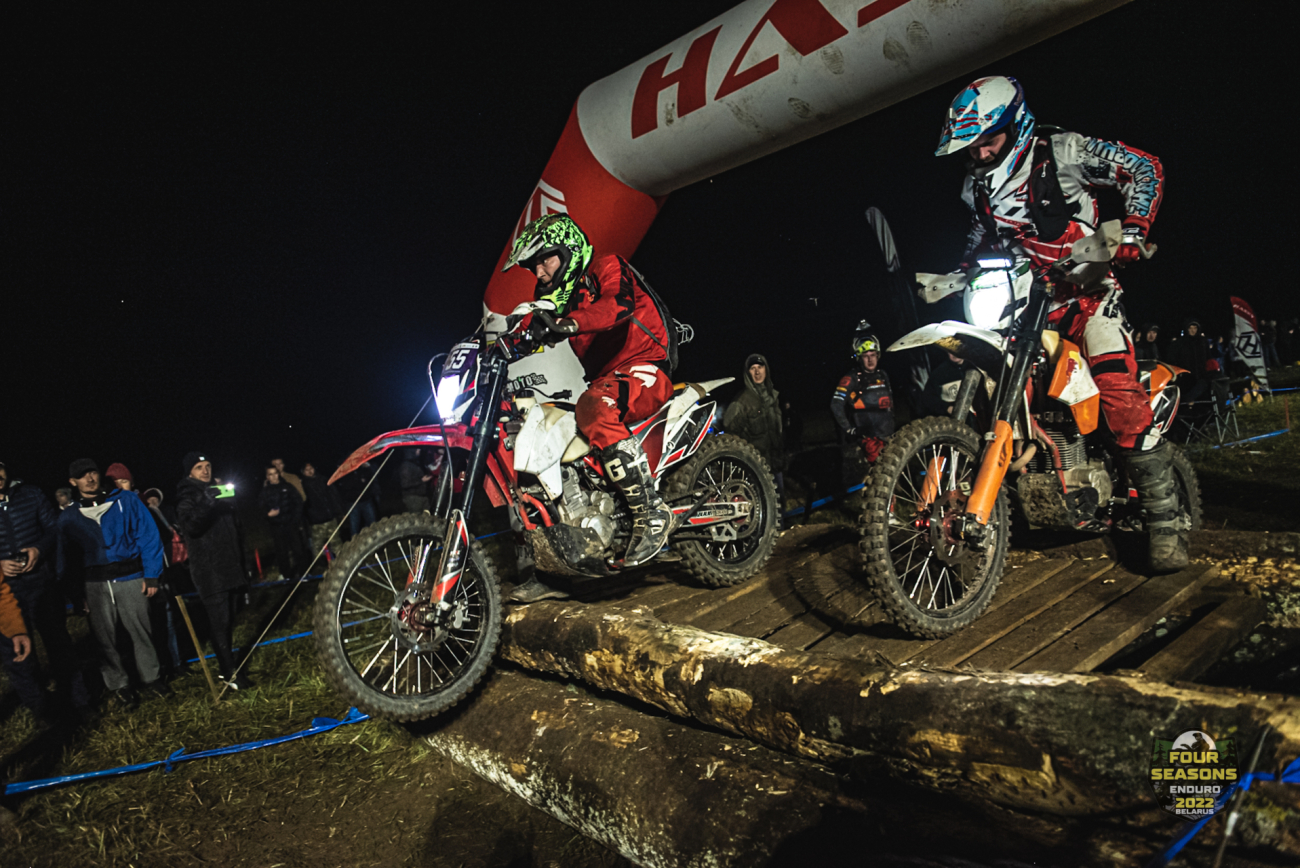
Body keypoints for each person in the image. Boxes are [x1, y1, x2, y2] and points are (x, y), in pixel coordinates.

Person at [935, 75, 1185, 572]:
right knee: (987, 377)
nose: (980, 153)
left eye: (989, 140)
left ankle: (1165, 523)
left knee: (1115, 389)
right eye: (972, 145)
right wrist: (960, 271)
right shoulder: (974, 184)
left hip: (1087, 293)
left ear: (1015, 125)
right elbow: (981, 233)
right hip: (1026, 301)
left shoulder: (1063, 151)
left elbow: (1142, 166)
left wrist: (1134, 228)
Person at [499, 213, 676, 600]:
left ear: (568, 251)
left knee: (593, 406)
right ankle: (551, 572)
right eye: (533, 266)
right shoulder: (557, 300)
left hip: (645, 365)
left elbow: (618, 305)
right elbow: (525, 328)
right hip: (605, 381)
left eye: (545, 260)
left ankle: (651, 512)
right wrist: (497, 348)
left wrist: (570, 323)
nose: (539, 272)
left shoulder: (605, 267)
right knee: (528, 440)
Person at [57, 458, 166, 708]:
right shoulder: (68, 517)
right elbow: (68, 560)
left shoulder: (125, 500)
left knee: (141, 631)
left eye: (92, 472)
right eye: (82, 475)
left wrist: (151, 574)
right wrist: (76, 595)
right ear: (73, 482)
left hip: (130, 577)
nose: (89, 478)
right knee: (105, 639)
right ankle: (120, 686)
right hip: (95, 585)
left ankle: (152, 678)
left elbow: (148, 536)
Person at [2, 461, 88, 722]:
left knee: (59, 643)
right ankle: (42, 710)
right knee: (17, 654)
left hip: (42, 582)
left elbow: (53, 529)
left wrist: (38, 549)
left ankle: (79, 701)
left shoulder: (31, 494)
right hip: (6, 591)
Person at [174, 452, 253, 690]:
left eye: (208, 466)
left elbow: (236, 529)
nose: (205, 470)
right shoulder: (186, 495)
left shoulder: (218, 491)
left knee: (230, 619)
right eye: (199, 467)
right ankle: (229, 673)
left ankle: (227, 667)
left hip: (229, 566)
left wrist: (244, 563)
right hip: (209, 570)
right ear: (190, 472)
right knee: (220, 621)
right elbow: (191, 526)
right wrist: (206, 502)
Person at [832, 325, 895, 487]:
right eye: (865, 356)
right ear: (859, 358)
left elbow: (890, 403)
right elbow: (836, 405)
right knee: (880, 477)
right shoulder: (852, 378)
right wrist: (849, 430)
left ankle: (894, 502)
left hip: (888, 435)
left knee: (893, 475)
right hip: (869, 439)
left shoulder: (883, 375)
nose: (870, 359)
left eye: (873, 355)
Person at [723, 354, 785, 515]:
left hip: (775, 465)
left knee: (779, 508)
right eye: (753, 368)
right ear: (748, 373)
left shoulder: (774, 397)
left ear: (766, 369)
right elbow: (730, 437)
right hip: (755, 470)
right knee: (759, 512)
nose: (757, 372)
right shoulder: (741, 402)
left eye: (760, 367)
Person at [259, 465, 309, 580]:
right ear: (267, 477)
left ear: (278, 474)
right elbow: (261, 508)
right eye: (270, 474)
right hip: (276, 526)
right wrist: (268, 514)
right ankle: (286, 575)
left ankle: (304, 573)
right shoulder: (265, 491)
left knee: (298, 549)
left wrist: (295, 519)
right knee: (281, 552)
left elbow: (298, 502)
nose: (273, 476)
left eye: (275, 473)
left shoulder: (288, 486)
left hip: (291, 524)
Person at [300, 462, 343, 555]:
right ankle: (321, 562)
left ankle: (341, 560)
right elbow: (302, 504)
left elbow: (334, 495)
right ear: (303, 472)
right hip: (317, 523)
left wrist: (338, 511)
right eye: (307, 470)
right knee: (317, 547)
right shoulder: (303, 485)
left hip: (331, 518)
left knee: (336, 542)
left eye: (311, 468)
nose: (310, 471)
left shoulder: (323, 480)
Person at [919, 351, 975, 420]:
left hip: (975, 420)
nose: (954, 354)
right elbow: (928, 399)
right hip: (951, 420)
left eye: (957, 350)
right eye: (950, 351)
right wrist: (947, 408)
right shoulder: (938, 373)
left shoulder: (976, 368)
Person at [396, 448, 433, 514]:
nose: (419, 450)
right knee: (416, 517)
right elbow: (405, 484)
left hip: (421, 496)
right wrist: (421, 480)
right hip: (413, 498)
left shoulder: (415, 463)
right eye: (417, 449)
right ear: (412, 451)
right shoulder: (406, 466)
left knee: (427, 516)